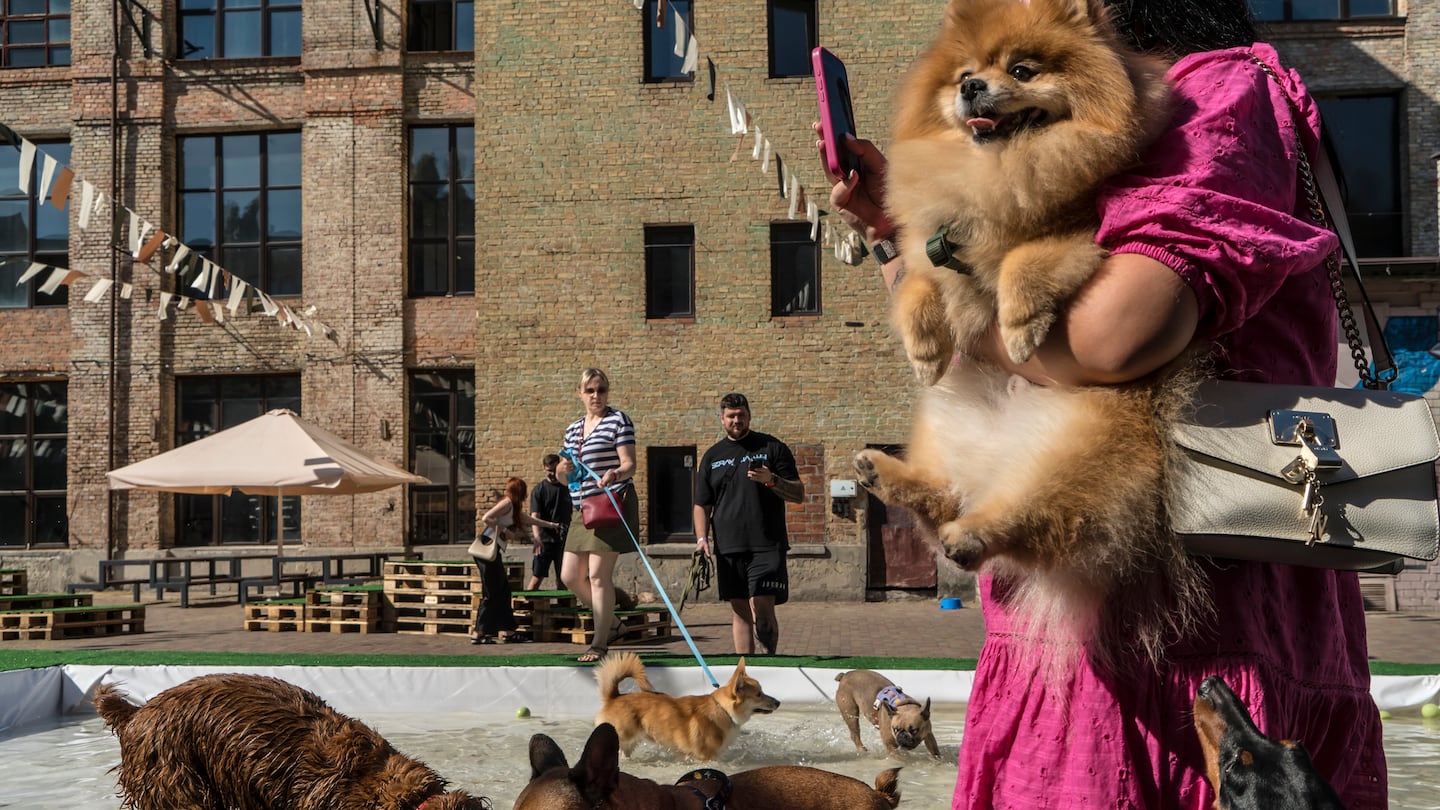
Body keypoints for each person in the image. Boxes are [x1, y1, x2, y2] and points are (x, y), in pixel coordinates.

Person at [817, 2, 1387, 807]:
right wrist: (896, 233)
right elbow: (964, 338)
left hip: (1195, 627)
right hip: (1081, 625)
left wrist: (955, 298)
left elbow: (1116, 337)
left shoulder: (1215, 94)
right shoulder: (1087, 112)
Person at [692, 393, 804, 655]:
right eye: (731, 416)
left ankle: (770, 662)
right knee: (740, 609)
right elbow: (702, 504)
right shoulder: (712, 456)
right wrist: (701, 540)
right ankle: (745, 672)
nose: (737, 420)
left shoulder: (772, 448)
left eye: (741, 415)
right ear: (722, 419)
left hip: (766, 542)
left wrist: (771, 480)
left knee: (762, 604)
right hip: (729, 545)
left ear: (749, 416)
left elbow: (798, 493)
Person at [556, 368, 639, 663]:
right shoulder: (572, 429)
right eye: (590, 390)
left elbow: (630, 464)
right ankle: (614, 625)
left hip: (610, 505)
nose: (596, 396)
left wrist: (615, 473)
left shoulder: (618, 421)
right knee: (568, 575)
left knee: (597, 576)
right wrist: (560, 472)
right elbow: (567, 478)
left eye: (601, 390)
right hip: (581, 508)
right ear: (579, 393)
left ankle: (600, 643)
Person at [471, 477, 562, 645]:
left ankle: (509, 632)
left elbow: (531, 520)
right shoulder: (507, 503)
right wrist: (505, 531)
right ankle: (479, 632)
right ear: (519, 491)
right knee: (492, 592)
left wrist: (552, 525)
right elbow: (486, 518)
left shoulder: (513, 508)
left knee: (504, 591)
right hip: (486, 551)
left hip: (493, 552)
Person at [526, 453, 571, 590]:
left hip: (564, 539)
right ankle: (527, 606)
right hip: (545, 540)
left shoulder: (567, 488)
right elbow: (535, 516)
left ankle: (564, 608)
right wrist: (537, 537)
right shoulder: (539, 490)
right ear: (544, 469)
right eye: (548, 470)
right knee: (537, 577)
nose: (551, 474)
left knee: (564, 578)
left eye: (553, 470)